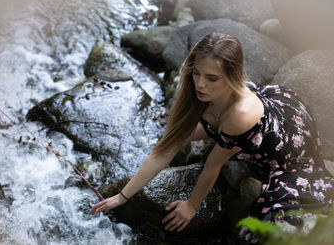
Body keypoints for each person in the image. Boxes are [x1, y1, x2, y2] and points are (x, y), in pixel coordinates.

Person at [89, 32, 334, 240]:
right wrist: (122, 197)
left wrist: (191, 206)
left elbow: (212, 166)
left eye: (212, 78)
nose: (200, 85)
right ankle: (228, 137)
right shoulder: (202, 96)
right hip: (245, 116)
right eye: (197, 73)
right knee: (179, 135)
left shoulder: (238, 115)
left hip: (288, 146)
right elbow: (164, 149)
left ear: (233, 76)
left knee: (261, 230)